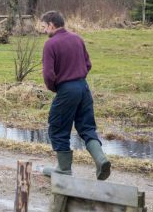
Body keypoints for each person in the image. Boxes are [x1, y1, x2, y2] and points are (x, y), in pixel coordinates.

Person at [40, 10, 110, 180]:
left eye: (44, 27)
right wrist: (78, 79)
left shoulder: (50, 44)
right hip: (83, 88)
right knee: (86, 127)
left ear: (51, 25)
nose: (43, 30)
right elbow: (88, 64)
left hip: (66, 90)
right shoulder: (77, 38)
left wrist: (58, 88)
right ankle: (101, 160)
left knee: (57, 127)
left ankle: (63, 170)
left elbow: (48, 75)